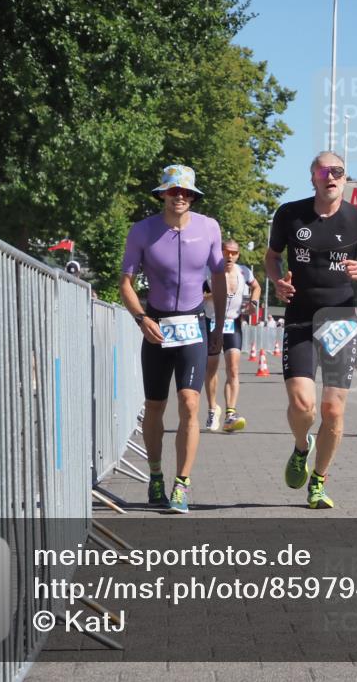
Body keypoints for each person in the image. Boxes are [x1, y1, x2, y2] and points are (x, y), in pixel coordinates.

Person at [264, 151, 357, 509]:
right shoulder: (290, 214)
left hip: (340, 319)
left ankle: (319, 480)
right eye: (323, 171)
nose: (331, 177)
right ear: (313, 178)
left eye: (337, 171)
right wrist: (278, 281)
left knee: (334, 410)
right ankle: (300, 447)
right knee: (302, 404)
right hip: (300, 317)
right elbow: (271, 256)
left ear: (345, 178)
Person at [120, 164, 226, 514]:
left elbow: (219, 277)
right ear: (162, 194)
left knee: (190, 403)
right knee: (154, 406)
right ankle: (154, 475)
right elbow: (126, 284)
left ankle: (181, 483)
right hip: (157, 323)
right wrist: (141, 319)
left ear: (193, 196)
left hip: (194, 324)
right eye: (172, 191)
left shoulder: (209, 227)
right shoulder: (142, 231)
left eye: (185, 192)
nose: (179, 196)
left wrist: (219, 326)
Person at [203, 239, 261, 433]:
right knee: (211, 368)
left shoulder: (244, 271)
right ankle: (213, 409)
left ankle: (230, 414)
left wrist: (253, 302)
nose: (230, 256)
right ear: (220, 252)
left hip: (232, 323)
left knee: (233, 369)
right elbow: (196, 295)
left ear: (238, 255)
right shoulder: (208, 271)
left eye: (234, 253)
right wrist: (214, 294)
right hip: (211, 322)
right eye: (226, 251)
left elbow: (257, 287)